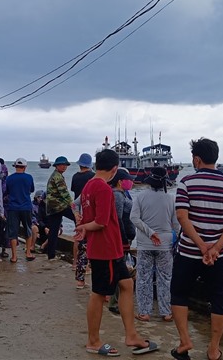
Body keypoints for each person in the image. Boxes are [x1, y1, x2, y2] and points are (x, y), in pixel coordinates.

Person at [74, 149, 158, 357]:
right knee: (99, 293)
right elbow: (101, 221)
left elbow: (87, 216)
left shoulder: (88, 186)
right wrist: (85, 227)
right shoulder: (102, 188)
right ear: (114, 169)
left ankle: (131, 335)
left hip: (109, 248)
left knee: (127, 285)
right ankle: (93, 341)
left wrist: (83, 226)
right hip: (106, 249)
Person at [170, 138, 223, 360]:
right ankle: (213, 349)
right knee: (219, 299)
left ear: (196, 159)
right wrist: (215, 248)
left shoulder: (186, 183)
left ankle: (185, 342)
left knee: (179, 295)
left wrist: (201, 246)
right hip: (219, 256)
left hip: (189, 252)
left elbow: (182, 216)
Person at [130, 166, 178, 322]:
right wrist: (174, 239)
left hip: (145, 243)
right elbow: (176, 225)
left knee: (144, 277)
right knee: (166, 278)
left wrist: (150, 232)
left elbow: (134, 218)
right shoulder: (171, 199)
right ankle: (166, 312)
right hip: (165, 244)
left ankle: (144, 312)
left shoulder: (140, 197)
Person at [107, 167, 136, 314]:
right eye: (127, 180)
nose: (130, 182)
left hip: (123, 238)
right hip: (120, 240)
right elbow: (117, 219)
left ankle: (114, 300)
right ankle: (114, 302)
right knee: (121, 272)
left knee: (119, 272)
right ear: (119, 181)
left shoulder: (122, 194)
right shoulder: (117, 195)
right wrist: (124, 239)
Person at [71, 152, 95, 288]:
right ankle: (88, 267)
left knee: (78, 239)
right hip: (90, 214)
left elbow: (75, 195)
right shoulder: (93, 177)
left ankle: (75, 264)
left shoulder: (75, 176)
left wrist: (76, 214)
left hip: (79, 213)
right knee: (90, 242)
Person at [6, 158, 36, 262]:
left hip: (13, 207)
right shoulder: (29, 177)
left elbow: (7, 191)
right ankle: (28, 252)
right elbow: (31, 189)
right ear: (25, 167)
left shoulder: (9, 178)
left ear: (15, 166)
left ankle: (14, 256)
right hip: (26, 207)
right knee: (28, 229)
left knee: (13, 232)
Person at [45, 156, 73, 261]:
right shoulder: (58, 177)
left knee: (53, 230)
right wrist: (73, 205)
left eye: (65, 165)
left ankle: (51, 255)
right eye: (62, 165)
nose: (64, 167)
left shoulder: (56, 175)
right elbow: (64, 194)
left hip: (52, 207)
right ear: (57, 166)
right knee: (77, 217)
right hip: (58, 206)